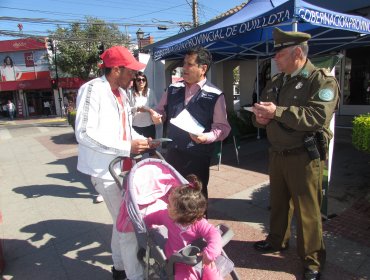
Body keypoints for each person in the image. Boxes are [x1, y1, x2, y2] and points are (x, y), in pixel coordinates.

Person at [251, 28, 339, 280]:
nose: (275, 59)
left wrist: (276, 112)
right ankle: (277, 240)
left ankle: (312, 261)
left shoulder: (321, 80)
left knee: (307, 212)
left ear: (297, 53)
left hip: (303, 156)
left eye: (279, 54)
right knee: (278, 204)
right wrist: (260, 118)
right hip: (277, 154)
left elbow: (317, 116)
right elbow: (264, 116)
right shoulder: (278, 81)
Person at [75, 45, 157, 280]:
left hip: (121, 167)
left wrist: (145, 140)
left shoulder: (120, 93)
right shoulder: (92, 90)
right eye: (130, 71)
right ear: (116, 69)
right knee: (128, 224)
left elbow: (125, 129)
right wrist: (126, 147)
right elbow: (84, 133)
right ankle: (135, 275)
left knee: (119, 220)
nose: (134, 76)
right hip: (104, 170)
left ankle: (119, 268)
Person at [153, 47, 231, 201]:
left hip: (197, 156)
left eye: (189, 64)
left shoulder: (215, 94)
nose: (184, 68)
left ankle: (199, 226)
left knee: (195, 201)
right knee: (174, 198)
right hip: (173, 153)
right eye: (184, 63)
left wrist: (206, 137)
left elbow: (223, 128)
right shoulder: (173, 88)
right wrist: (158, 116)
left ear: (203, 68)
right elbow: (161, 110)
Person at [144, 174, 223, 280]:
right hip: (178, 260)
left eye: (170, 205)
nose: (167, 206)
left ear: (182, 213)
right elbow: (152, 218)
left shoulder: (199, 223)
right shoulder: (166, 216)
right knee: (183, 278)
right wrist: (145, 224)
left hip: (200, 258)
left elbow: (214, 234)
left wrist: (211, 252)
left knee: (213, 276)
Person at [131, 71, 157, 138]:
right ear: (135, 81)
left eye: (143, 80)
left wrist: (148, 109)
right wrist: (137, 109)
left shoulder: (150, 92)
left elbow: (156, 107)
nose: (141, 81)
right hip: (135, 125)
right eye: (139, 80)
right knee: (138, 147)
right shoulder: (130, 92)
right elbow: (126, 108)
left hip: (149, 125)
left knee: (150, 147)